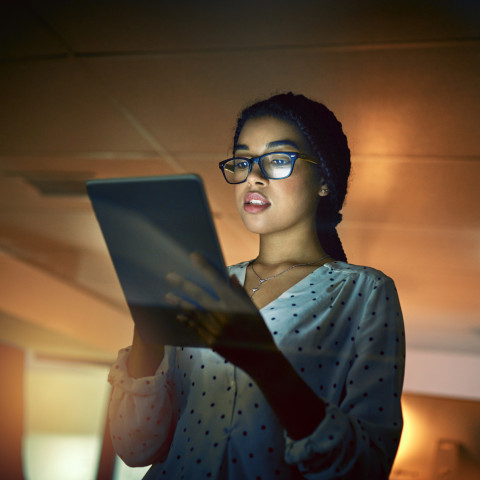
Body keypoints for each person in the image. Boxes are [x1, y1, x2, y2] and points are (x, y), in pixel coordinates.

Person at [107, 93, 406, 479]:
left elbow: (364, 468)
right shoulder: (207, 285)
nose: (254, 176)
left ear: (324, 182)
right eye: (244, 160)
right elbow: (136, 447)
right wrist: (148, 325)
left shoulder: (365, 293)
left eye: (278, 159)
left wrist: (262, 358)